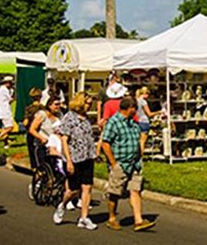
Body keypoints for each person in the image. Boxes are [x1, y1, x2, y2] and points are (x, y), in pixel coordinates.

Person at [102, 96, 156, 232]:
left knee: (135, 190)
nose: (137, 111)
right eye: (135, 109)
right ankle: (112, 218)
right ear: (129, 108)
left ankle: (138, 220)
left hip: (134, 163)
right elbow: (105, 143)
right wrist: (113, 163)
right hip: (120, 163)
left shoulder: (133, 123)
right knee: (115, 192)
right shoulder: (113, 122)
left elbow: (137, 139)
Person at [53, 92, 97, 231]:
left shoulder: (87, 118)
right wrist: (69, 161)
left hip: (87, 157)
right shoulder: (69, 118)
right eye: (88, 102)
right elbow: (64, 140)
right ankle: (63, 204)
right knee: (73, 190)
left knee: (87, 187)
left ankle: (84, 217)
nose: (90, 105)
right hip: (74, 157)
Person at [29, 96, 62, 166]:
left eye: (59, 104)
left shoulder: (59, 115)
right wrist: (41, 138)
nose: (58, 106)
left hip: (57, 143)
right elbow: (32, 129)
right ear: (49, 105)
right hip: (44, 144)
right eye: (56, 104)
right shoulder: (42, 115)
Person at [136, 87, 161, 154]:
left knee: (137, 141)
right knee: (142, 141)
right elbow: (149, 114)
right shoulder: (143, 102)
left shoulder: (136, 100)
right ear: (145, 93)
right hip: (144, 121)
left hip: (137, 121)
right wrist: (159, 112)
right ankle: (140, 157)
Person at [23, 88, 43, 170]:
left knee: (32, 152)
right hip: (41, 132)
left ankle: (35, 170)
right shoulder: (43, 108)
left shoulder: (29, 109)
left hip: (31, 133)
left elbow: (25, 122)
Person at [0, 76, 15, 149]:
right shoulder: (4, 90)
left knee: (4, 127)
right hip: (5, 111)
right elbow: (10, 99)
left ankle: (2, 140)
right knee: (9, 127)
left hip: (4, 110)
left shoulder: (2, 89)